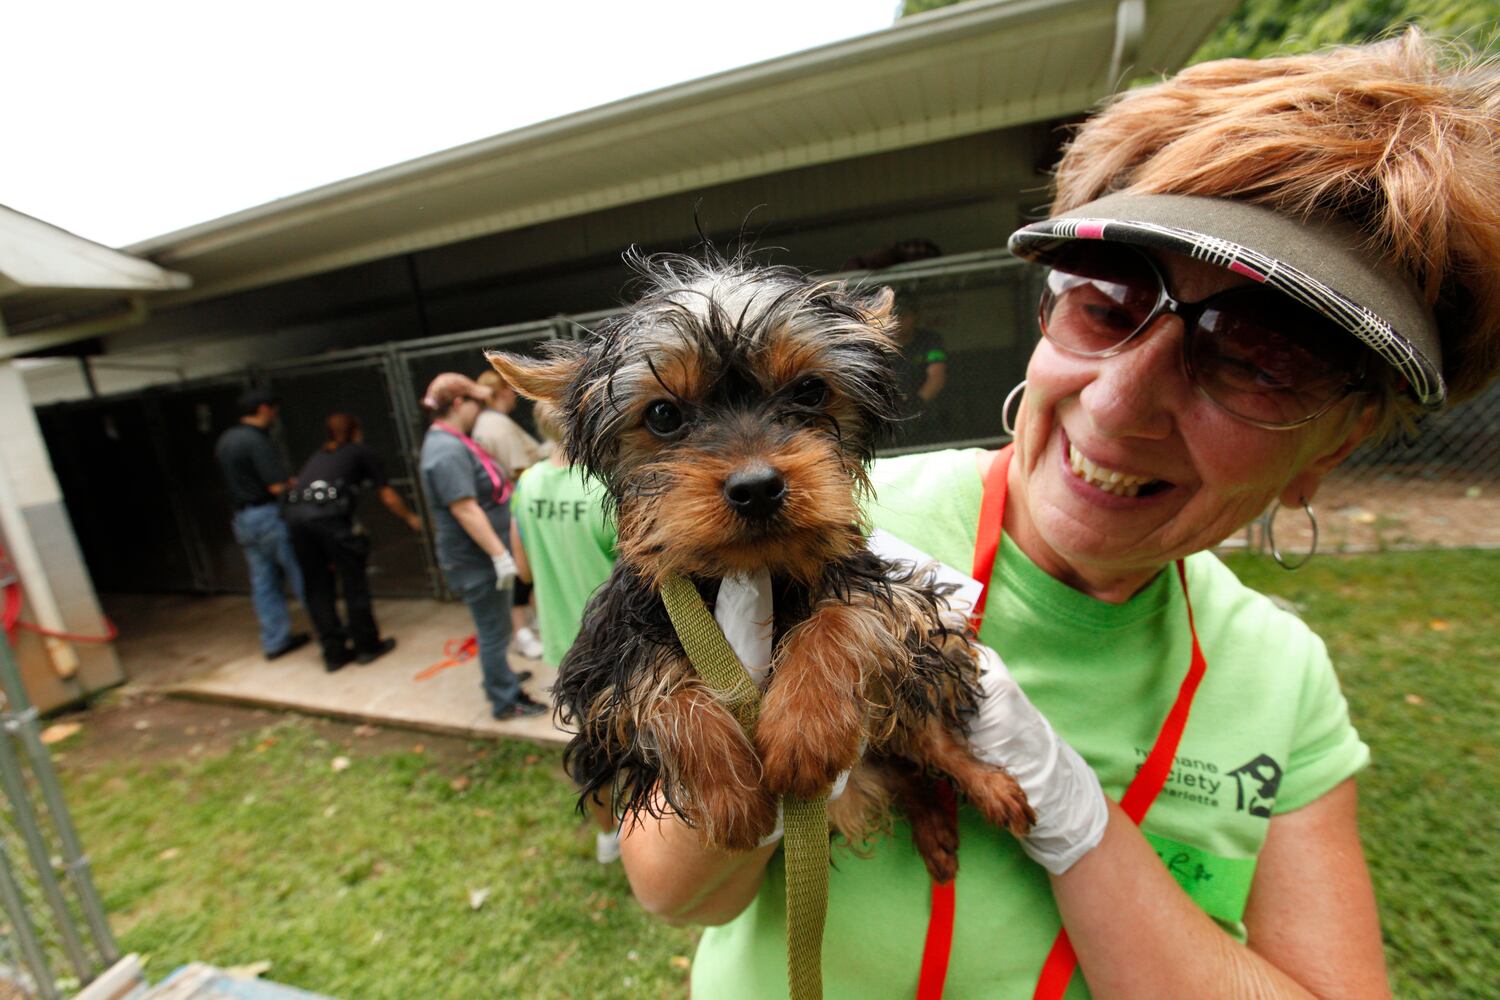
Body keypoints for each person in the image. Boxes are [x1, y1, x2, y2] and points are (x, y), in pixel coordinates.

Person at [620, 31, 1500, 998]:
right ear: (1050, 312)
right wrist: (749, 730)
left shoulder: (1279, 680)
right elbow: (677, 894)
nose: (1119, 401)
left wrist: (1077, 823)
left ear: (1332, 444)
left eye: (1260, 353)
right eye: (1109, 298)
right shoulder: (824, 533)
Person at [508, 401, 620, 861]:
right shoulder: (606, 484)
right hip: (623, 642)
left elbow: (523, 569)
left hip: (564, 643)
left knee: (593, 749)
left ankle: (607, 834)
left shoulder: (528, 483)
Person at [417, 373, 546, 719]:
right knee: (493, 632)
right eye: (476, 402)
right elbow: (465, 508)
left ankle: (500, 676)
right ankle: (504, 699)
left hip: (482, 558)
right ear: (459, 404)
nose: (480, 410)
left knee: (497, 627)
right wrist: (500, 555)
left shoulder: (454, 441)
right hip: (476, 562)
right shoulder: (445, 450)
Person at [284, 413, 424, 671]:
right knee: (353, 582)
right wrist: (412, 518)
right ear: (356, 431)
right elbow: (388, 495)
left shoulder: (321, 454)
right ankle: (366, 646)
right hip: (329, 519)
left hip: (296, 519)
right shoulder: (360, 452)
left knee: (317, 587)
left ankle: (333, 653)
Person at [214, 387, 308, 660]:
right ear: (265, 409)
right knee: (301, 573)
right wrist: (303, 487)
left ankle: (274, 641)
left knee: (264, 582)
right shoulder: (256, 441)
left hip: (243, 519)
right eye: (274, 408)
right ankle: (331, 635)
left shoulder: (227, 440)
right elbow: (276, 485)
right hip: (268, 516)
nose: (276, 414)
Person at [473, 369, 550, 660]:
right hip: (516, 502)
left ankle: (528, 625)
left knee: (521, 570)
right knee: (522, 570)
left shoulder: (486, 422)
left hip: (507, 502)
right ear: (503, 391)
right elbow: (519, 470)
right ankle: (521, 632)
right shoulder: (497, 425)